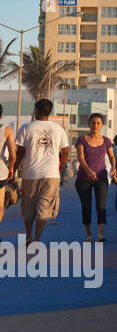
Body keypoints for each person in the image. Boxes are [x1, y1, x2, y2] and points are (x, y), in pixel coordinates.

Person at [13, 99, 69, 245]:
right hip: (51, 175)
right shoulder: (59, 130)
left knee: (28, 207)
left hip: (30, 174)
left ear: (36, 111)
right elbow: (65, 152)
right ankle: (37, 238)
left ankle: (28, 237)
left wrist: (13, 170)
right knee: (44, 209)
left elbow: (19, 153)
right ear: (49, 112)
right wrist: (58, 168)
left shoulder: (26, 128)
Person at [75, 113, 116, 242]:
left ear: (102, 125)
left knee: (101, 204)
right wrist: (88, 171)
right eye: (93, 122)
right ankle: (88, 235)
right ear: (89, 124)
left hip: (101, 178)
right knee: (86, 205)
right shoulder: (81, 140)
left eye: (98, 123)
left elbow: (112, 157)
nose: (95, 125)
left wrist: (114, 168)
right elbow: (80, 158)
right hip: (83, 179)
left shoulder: (106, 141)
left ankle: (100, 234)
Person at [1, 104, 16, 225]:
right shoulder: (6, 130)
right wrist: (11, 168)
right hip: (0, 172)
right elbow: (13, 155)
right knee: (0, 206)